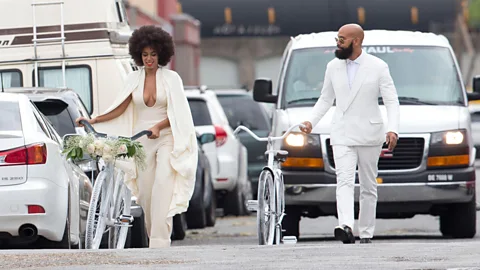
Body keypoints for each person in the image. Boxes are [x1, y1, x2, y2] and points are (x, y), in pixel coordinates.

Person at [76, 25, 198, 248]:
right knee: (147, 193)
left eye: (153, 54)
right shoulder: (133, 78)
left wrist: (159, 126)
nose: (149, 59)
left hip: (166, 137)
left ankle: (160, 242)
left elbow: (178, 114)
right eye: (145, 54)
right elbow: (120, 108)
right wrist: (94, 120)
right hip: (140, 140)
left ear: (161, 54)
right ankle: (155, 238)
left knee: (163, 184)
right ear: (138, 55)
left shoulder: (172, 79)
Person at [300, 24, 400, 244]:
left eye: (342, 39)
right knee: (343, 180)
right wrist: (311, 121)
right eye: (337, 38)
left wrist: (392, 128)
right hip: (342, 132)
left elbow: (391, 100)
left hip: (370, 133)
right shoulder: (332, 67)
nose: (338, 42)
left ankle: (366, 231)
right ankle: (345, 225)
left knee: (368, 185)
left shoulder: (378, 66)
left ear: (356, 41)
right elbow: (326, 98)